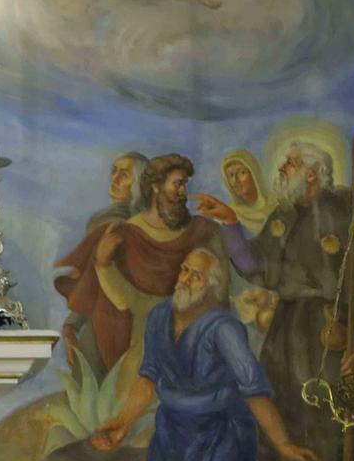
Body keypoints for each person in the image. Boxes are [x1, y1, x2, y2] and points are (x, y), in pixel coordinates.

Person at [195, 140, 354, 461]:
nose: (281, 171)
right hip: (287, 330)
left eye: (290, 164)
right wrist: (231, 224)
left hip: (328, 330)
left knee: (326, 414)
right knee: (283, 406)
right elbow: (253, 265)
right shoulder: (281, 216)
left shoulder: (342, 214)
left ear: (312, 173)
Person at [90, 247, 313, 461]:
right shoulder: (159, 317)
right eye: (184, 270)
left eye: (196, 276)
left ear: (212, 288)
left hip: (218, 433)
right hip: (171, 431)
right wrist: (123, 423)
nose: (185, 279)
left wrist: (282, 443)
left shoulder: (223, 329)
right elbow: (149, 376)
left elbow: (253, 390)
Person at [61, 153, 230, 399]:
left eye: (185, 185)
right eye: (177, 184)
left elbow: (219, 292)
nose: (183, 193)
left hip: (191, 337)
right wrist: (101, 264)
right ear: (155, 188)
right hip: (133, 340)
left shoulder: (203, 232)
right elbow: (112, 295)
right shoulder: (124, 233)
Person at [53, 149, 149, 377]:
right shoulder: (102, 221)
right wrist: (72, 324)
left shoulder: (133, 226)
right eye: (114, 172)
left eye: (124, 174)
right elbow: (90, 278)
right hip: (99, 316)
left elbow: (99, 280)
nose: (114, 179)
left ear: (140, 184)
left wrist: (72, 323)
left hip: (121, 323)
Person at [220, 148, 276, 234]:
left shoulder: (275, 206)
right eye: (231, 175)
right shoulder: (230, 215)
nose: (235, 180)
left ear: (254, 174)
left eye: (241, 172)